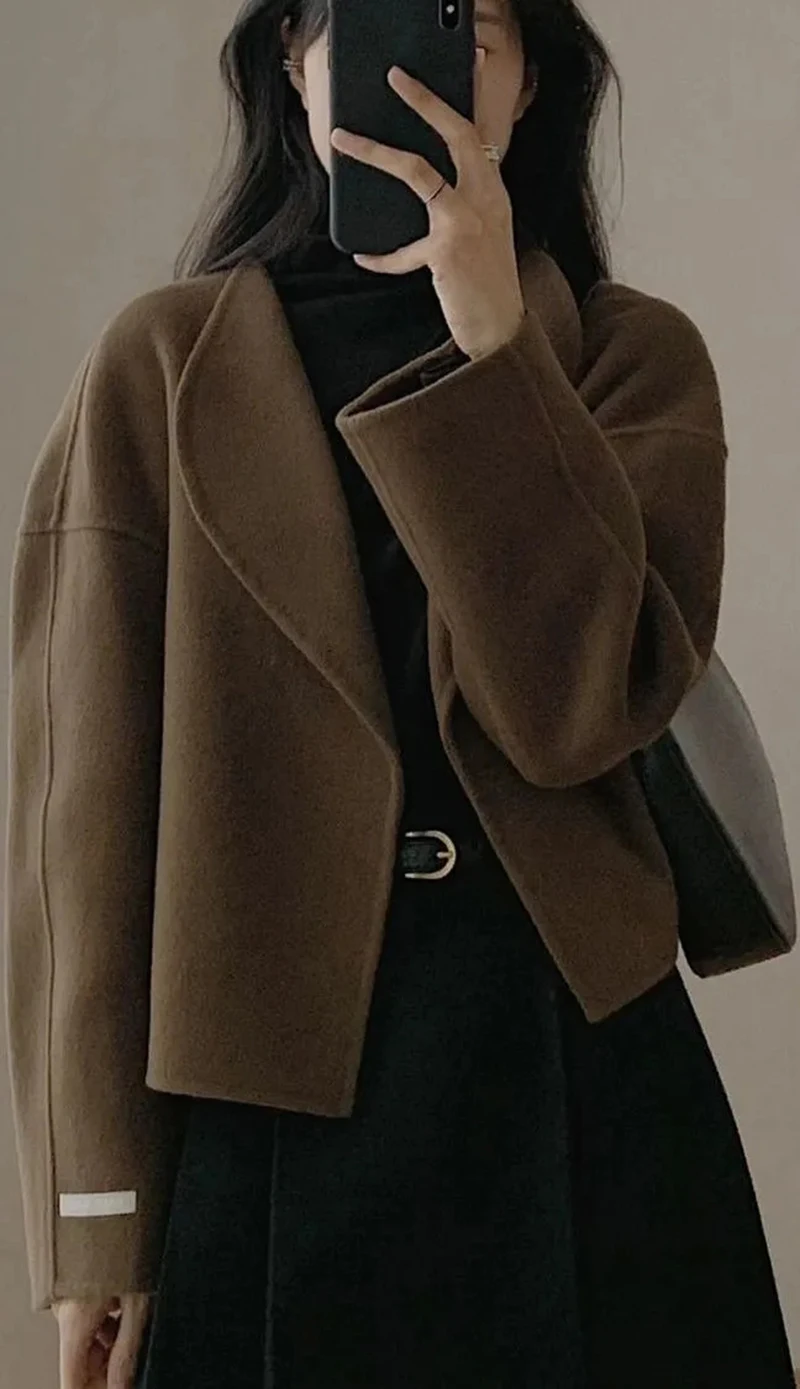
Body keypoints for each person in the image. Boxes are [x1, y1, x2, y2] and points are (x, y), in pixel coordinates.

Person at [5, 0, 796, 1386]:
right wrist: (100, 1218)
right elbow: (81, 827)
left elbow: (577, 711)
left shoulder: (627, 356)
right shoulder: (163, 367)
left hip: (583, 1081)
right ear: (294, 66)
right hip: (264, 1114)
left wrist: (498, 352)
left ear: (530, 83)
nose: (425, 66)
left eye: (469, 28)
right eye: (363, 19)